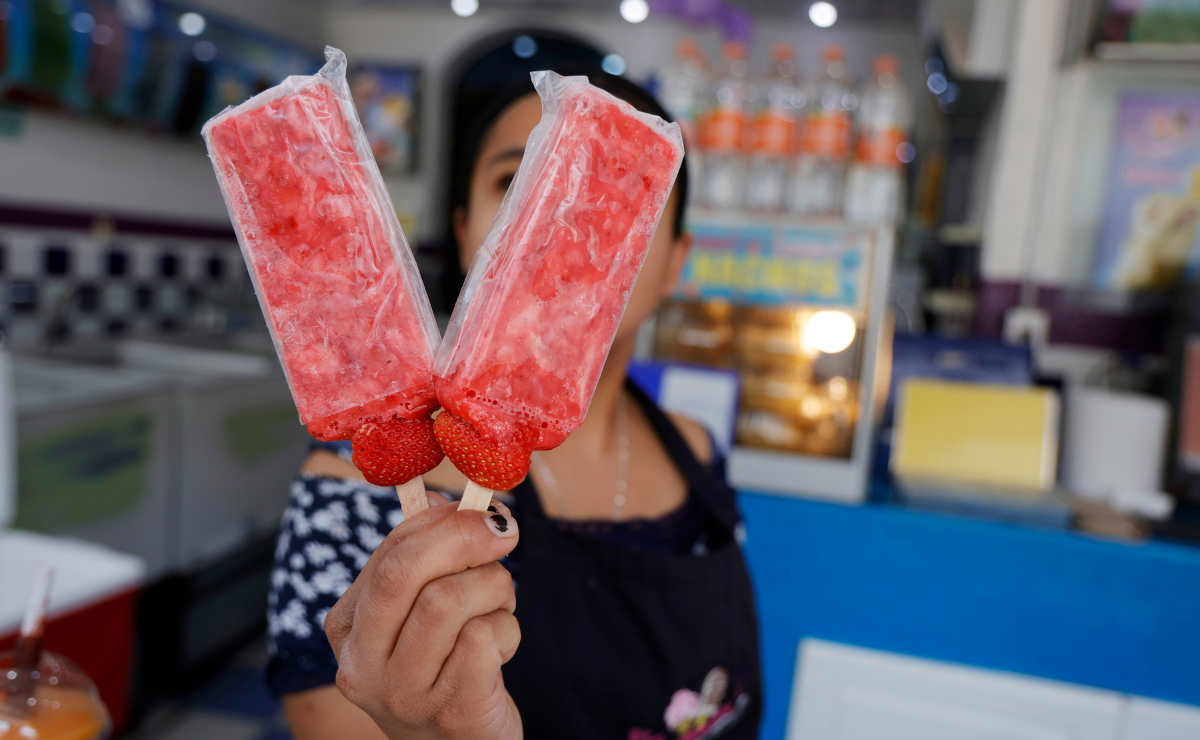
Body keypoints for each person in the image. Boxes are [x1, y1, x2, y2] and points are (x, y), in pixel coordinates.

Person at [266, 33, 762, 740]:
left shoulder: (696, 449)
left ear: (677, 259)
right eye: (517, 180)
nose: (566, 218)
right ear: (468, 231)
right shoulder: (353, 494)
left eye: (619, 190)